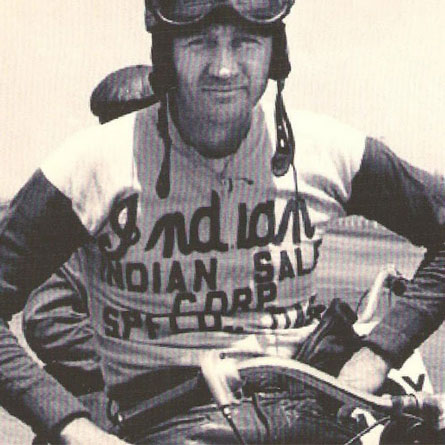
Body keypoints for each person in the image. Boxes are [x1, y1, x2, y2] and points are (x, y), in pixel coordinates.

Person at [0, 1, 444, 443]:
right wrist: (72, 426)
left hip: (309, 412)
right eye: (199, 43)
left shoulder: (331, 151)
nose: (224, 68)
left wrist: (379, 352)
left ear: (276, 53)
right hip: (164, 421)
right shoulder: (90, 166)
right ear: (167, 53)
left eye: (245, 42)